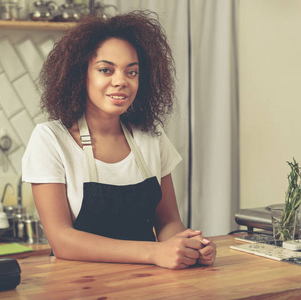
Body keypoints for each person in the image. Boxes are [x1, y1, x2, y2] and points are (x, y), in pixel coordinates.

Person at [22, 10, 216, 270]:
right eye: (106, 70)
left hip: (147, 285)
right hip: (79, 288)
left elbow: (168, 221)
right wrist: (154, 253)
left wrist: (190, 246)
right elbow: (62, 241)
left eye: (131, 72)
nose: (120, 82)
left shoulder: (151, 138)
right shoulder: (51, 139)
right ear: (81, 75)